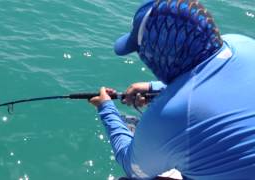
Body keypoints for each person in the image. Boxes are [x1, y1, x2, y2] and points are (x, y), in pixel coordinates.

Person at [89, 0, 255, 179]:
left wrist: (106, 108)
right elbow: (216, 84)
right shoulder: (242, 43)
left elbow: (134, 169)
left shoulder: (168, 116)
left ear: (157, 53)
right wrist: (155, 88)